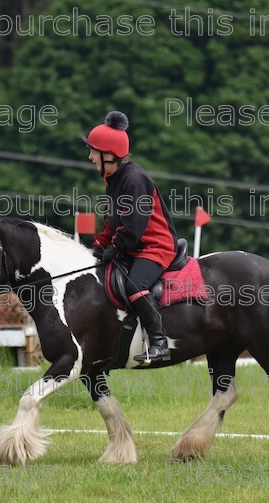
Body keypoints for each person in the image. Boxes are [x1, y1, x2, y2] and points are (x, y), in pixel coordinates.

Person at [82, 111, 177, 363]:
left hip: (154, 247)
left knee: (136, 286)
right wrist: (98, 245)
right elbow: (112, 219)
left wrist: (115, 247)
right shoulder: (111, 177)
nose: (90, 156)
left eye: (93, 152)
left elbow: (133, 228)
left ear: (109, 155)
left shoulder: (134, 180)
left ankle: (159, 342)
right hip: (133, 245)